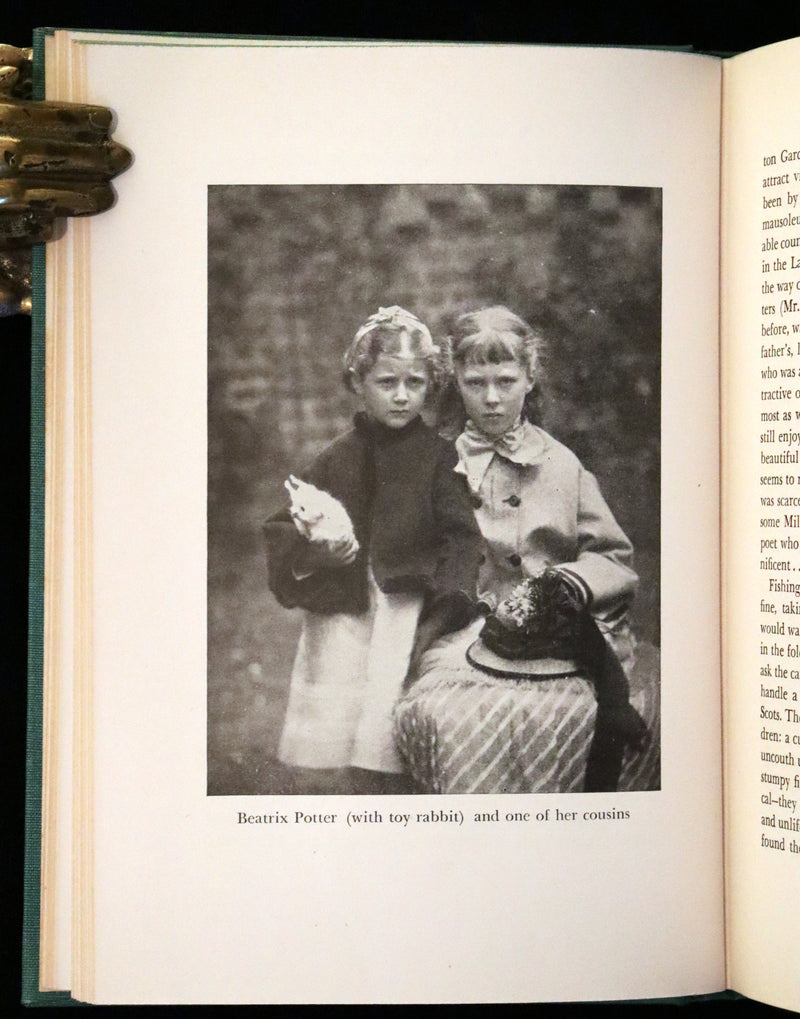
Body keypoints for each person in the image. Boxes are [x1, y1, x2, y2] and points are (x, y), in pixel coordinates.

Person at [394, 306, 659, 793]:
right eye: (476, 382)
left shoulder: (561, 465)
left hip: (560, 637)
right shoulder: (436, 463)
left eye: (506, 380)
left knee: (587, 714)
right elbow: (412, 556)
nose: (492, 398)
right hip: (467, 635)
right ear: (455, 379)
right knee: (450, 716)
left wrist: (571, 584)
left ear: (530, 379)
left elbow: (612, 558)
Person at [263, 306, 483, 794]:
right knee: (338, 729)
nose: (402, 396)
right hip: (343, 611)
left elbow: (462, 535)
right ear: (358, 382)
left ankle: (394, 796)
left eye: (415, 383)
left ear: (430, 385)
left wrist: (448, 600)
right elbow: (285, 525)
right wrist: (315, 553)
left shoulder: (438, 456)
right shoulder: (339, 455)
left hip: (404, 611)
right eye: (387, 382)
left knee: (389, 728)